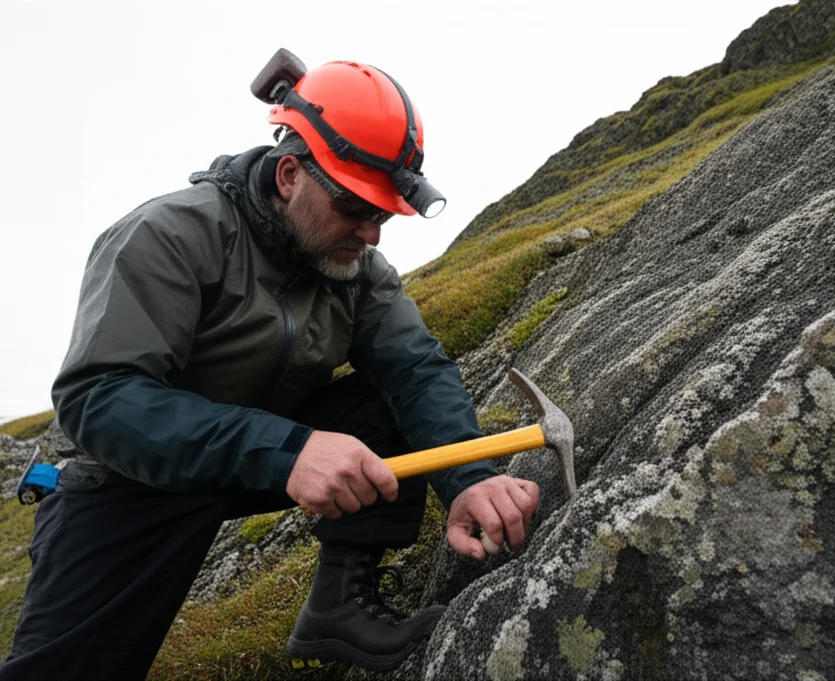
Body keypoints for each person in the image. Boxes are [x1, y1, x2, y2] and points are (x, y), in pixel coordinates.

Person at [0, 54, 540, 680]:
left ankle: (338, 607)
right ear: (290, 174)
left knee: (380, 403)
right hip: (128, 479)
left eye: (383, 216)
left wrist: (467, 475)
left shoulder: (357, 272)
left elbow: (415, 371)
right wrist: (287, 450)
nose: (371, 236)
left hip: (258, 454)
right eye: (355, 209)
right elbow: (101, 397)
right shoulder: (170, 235)